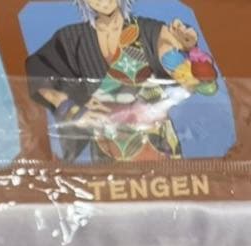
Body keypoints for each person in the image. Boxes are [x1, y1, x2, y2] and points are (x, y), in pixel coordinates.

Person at [26, 0, 219, 162]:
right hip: (106, 147)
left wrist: (190, 51)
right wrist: (69, 106)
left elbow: (201, 83)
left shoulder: (151, 31)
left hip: (156, 144)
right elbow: (38, 71)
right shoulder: (70, 38)